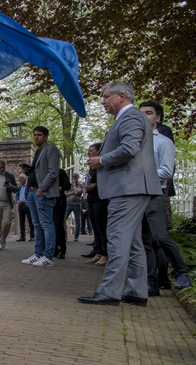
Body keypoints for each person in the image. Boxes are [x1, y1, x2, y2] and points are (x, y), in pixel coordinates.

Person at [78, 82, 159, 306]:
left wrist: (101, 159)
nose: (102, 101)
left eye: (105, 97)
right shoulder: (128, 118)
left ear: (121, 96)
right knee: (132, 242)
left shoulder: (130, 117)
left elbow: (129, 148)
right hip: (132, 187)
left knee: (116, 238)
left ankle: (110, 291)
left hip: (128, 187)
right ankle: (136, 290)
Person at [138, 101, 192, 292]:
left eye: (149, 113)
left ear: (158, 117)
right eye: (141, 113)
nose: (144, 116)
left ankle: (182, 272)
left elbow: (166, 172)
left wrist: (141, 174)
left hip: (155, 193)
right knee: (144, 240)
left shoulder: (163, 142)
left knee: (160, 236)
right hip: (137, 196)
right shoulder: (135, 142)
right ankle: (151, 283)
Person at [22, 126, 60, 267]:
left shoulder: (51, 150)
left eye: (39, 135)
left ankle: (48, 256)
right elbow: (38, 171)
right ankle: (38, 253)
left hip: (42, 192)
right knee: (37, 225)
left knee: (46, 224)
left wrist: (42, 188)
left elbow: (53, 172)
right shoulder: (38, 151)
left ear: (46, 136)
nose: (36, 137)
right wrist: (28, 171)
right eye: (34, 135)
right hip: (32, 191)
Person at [83, 143, 109, 267]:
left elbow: (106, 180)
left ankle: (105, 254)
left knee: (102, 227)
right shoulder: (92, 167)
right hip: (91, 199)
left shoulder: (102, 165)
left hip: (100, 199)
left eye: (91, 151)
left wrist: (95, 185)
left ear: (99, 152)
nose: (89, 153)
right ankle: (98, 252)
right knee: (96, 228)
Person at [53, 168, 72, 259]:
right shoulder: (45, 173)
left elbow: (67, 185)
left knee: (58, 223)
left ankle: (62, 248)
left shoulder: (60, 172)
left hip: (59, 200)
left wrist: (59, 188)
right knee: (51, 225)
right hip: (49, 200)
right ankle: (54, 249)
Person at [65, 173, 84, 242]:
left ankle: (76, 236)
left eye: (75, 176)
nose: (74, 177)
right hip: (68, 204)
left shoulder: (80, 185)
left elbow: (77, 192)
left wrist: (74, 185)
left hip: (77, 204)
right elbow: (66, 194)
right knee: (64, 219)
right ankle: (64, 235)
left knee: (77, 221)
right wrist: (73, 192)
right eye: (73, 176)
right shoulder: (68, 185)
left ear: (78, 177)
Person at [15, 173, 34, 242]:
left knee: (30, 220)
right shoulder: (20, 187)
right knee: (21, 221)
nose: (20, 180)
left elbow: (29, 193)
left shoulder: (28, 186)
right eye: (19, 178)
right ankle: (22, 236)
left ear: (25, 179)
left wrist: (28, 200)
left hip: (26, 204)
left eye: (21, 178)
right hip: (21, 204)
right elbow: (17, 194)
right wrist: (17, 200)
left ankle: (32, 235)